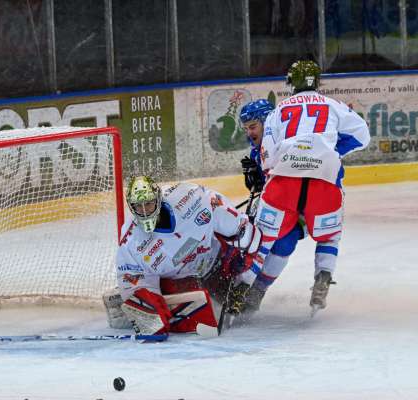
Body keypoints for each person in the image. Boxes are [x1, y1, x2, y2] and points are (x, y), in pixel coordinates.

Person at [250, 60, 370, 314]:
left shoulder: (279, 109)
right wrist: (330, 150)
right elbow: (363, 135)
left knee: (265, 237)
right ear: (317, 82)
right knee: (328, 235)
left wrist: (270, 170)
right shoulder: (333, 105)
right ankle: (323, 276)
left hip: (285, 181)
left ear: (291, 83)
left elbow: (268, 155)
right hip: (324, 179)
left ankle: (245, 291)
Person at [103, 176, 263, 337]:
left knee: (248, 304)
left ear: (158, 198)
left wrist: (245, 279)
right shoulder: (131, 241)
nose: (145, 211)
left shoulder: (189, 198)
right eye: (139, 206)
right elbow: (130, 276)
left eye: (149, 204)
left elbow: (245, 232)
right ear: (131, 207)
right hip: (183, 282)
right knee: (155, 319)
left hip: (220, 264)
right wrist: (144, 303)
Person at [236, 99, 306, 314]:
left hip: (296, 208)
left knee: (283, 244)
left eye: (253, 126)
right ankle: (236, 285)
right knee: (251, 240)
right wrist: (256, 179)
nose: (249, 133)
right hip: (276, 207)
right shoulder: (258, 150)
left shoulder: (290, 144)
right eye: (246, 128)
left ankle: (257, 291)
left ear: (268, 123)